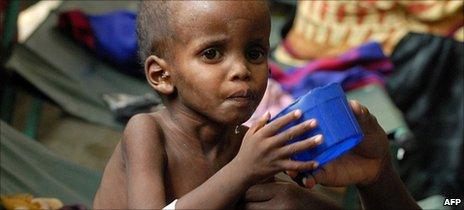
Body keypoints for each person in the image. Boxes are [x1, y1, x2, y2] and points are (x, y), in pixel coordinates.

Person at [93, 1, 420, 209]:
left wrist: (375, 176)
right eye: (212, 53)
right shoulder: (147, 132)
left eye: (254, 53)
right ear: (161, 75)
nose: (241, 70)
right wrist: (243, 171)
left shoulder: (249, 146)